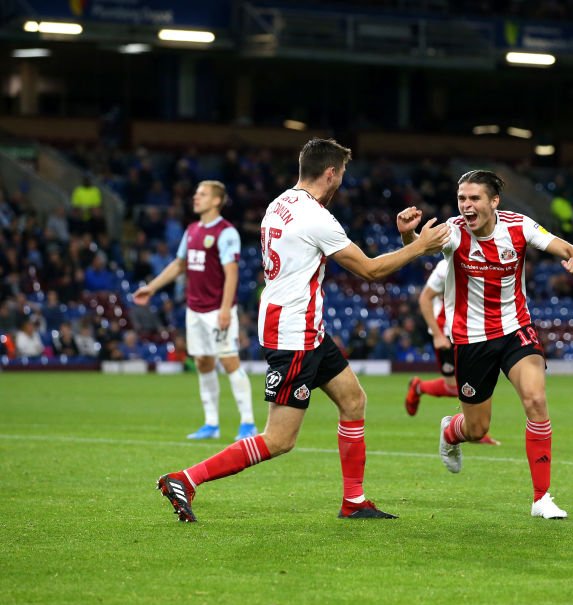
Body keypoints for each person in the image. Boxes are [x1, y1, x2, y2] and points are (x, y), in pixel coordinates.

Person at [156, 138, 449, 522]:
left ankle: (354, 501)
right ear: (330, 172)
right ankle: (185, 479)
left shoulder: (279, 204)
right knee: (279, 439)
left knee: (353, 400)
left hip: (302, 325)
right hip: (293, 331)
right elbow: (371, 270)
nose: (342, 181)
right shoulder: (317, 218)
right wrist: (420, 245)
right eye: (341, 174)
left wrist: (409, 243)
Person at [435, 170, 573, 519]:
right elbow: (416, 245)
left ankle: (541, 498)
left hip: (515, 329)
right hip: (471, 339)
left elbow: (559, 245)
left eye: (474, 198)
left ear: (494, 201)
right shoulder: (452, 231)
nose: (466, 205)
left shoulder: (518, 226)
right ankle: (449, 430)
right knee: (476, 429)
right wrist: (406, 233)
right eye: (462, 198)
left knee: (536, 399)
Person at [133, 180, 258, 441]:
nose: (195, 197)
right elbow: (179, 265)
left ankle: (248, 423)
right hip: (195, 309)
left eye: (202, 194)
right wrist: (151, 287)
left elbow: (231, 273)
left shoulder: (226, 232)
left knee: (229, 360)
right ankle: (211, 424)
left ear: (216, 201)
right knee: (202, 361)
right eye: (196, 193)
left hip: (217, 310)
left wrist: (226, 309)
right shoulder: (191, 231)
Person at [404, 258, 499, 445]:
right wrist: (438, 335)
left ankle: (474, 428)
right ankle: (473, 427)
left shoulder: (483, 259)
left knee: (474, 383)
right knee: (456, 387)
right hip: (447, 334)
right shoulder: (445, 266)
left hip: (472, 333)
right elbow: (425, 298)